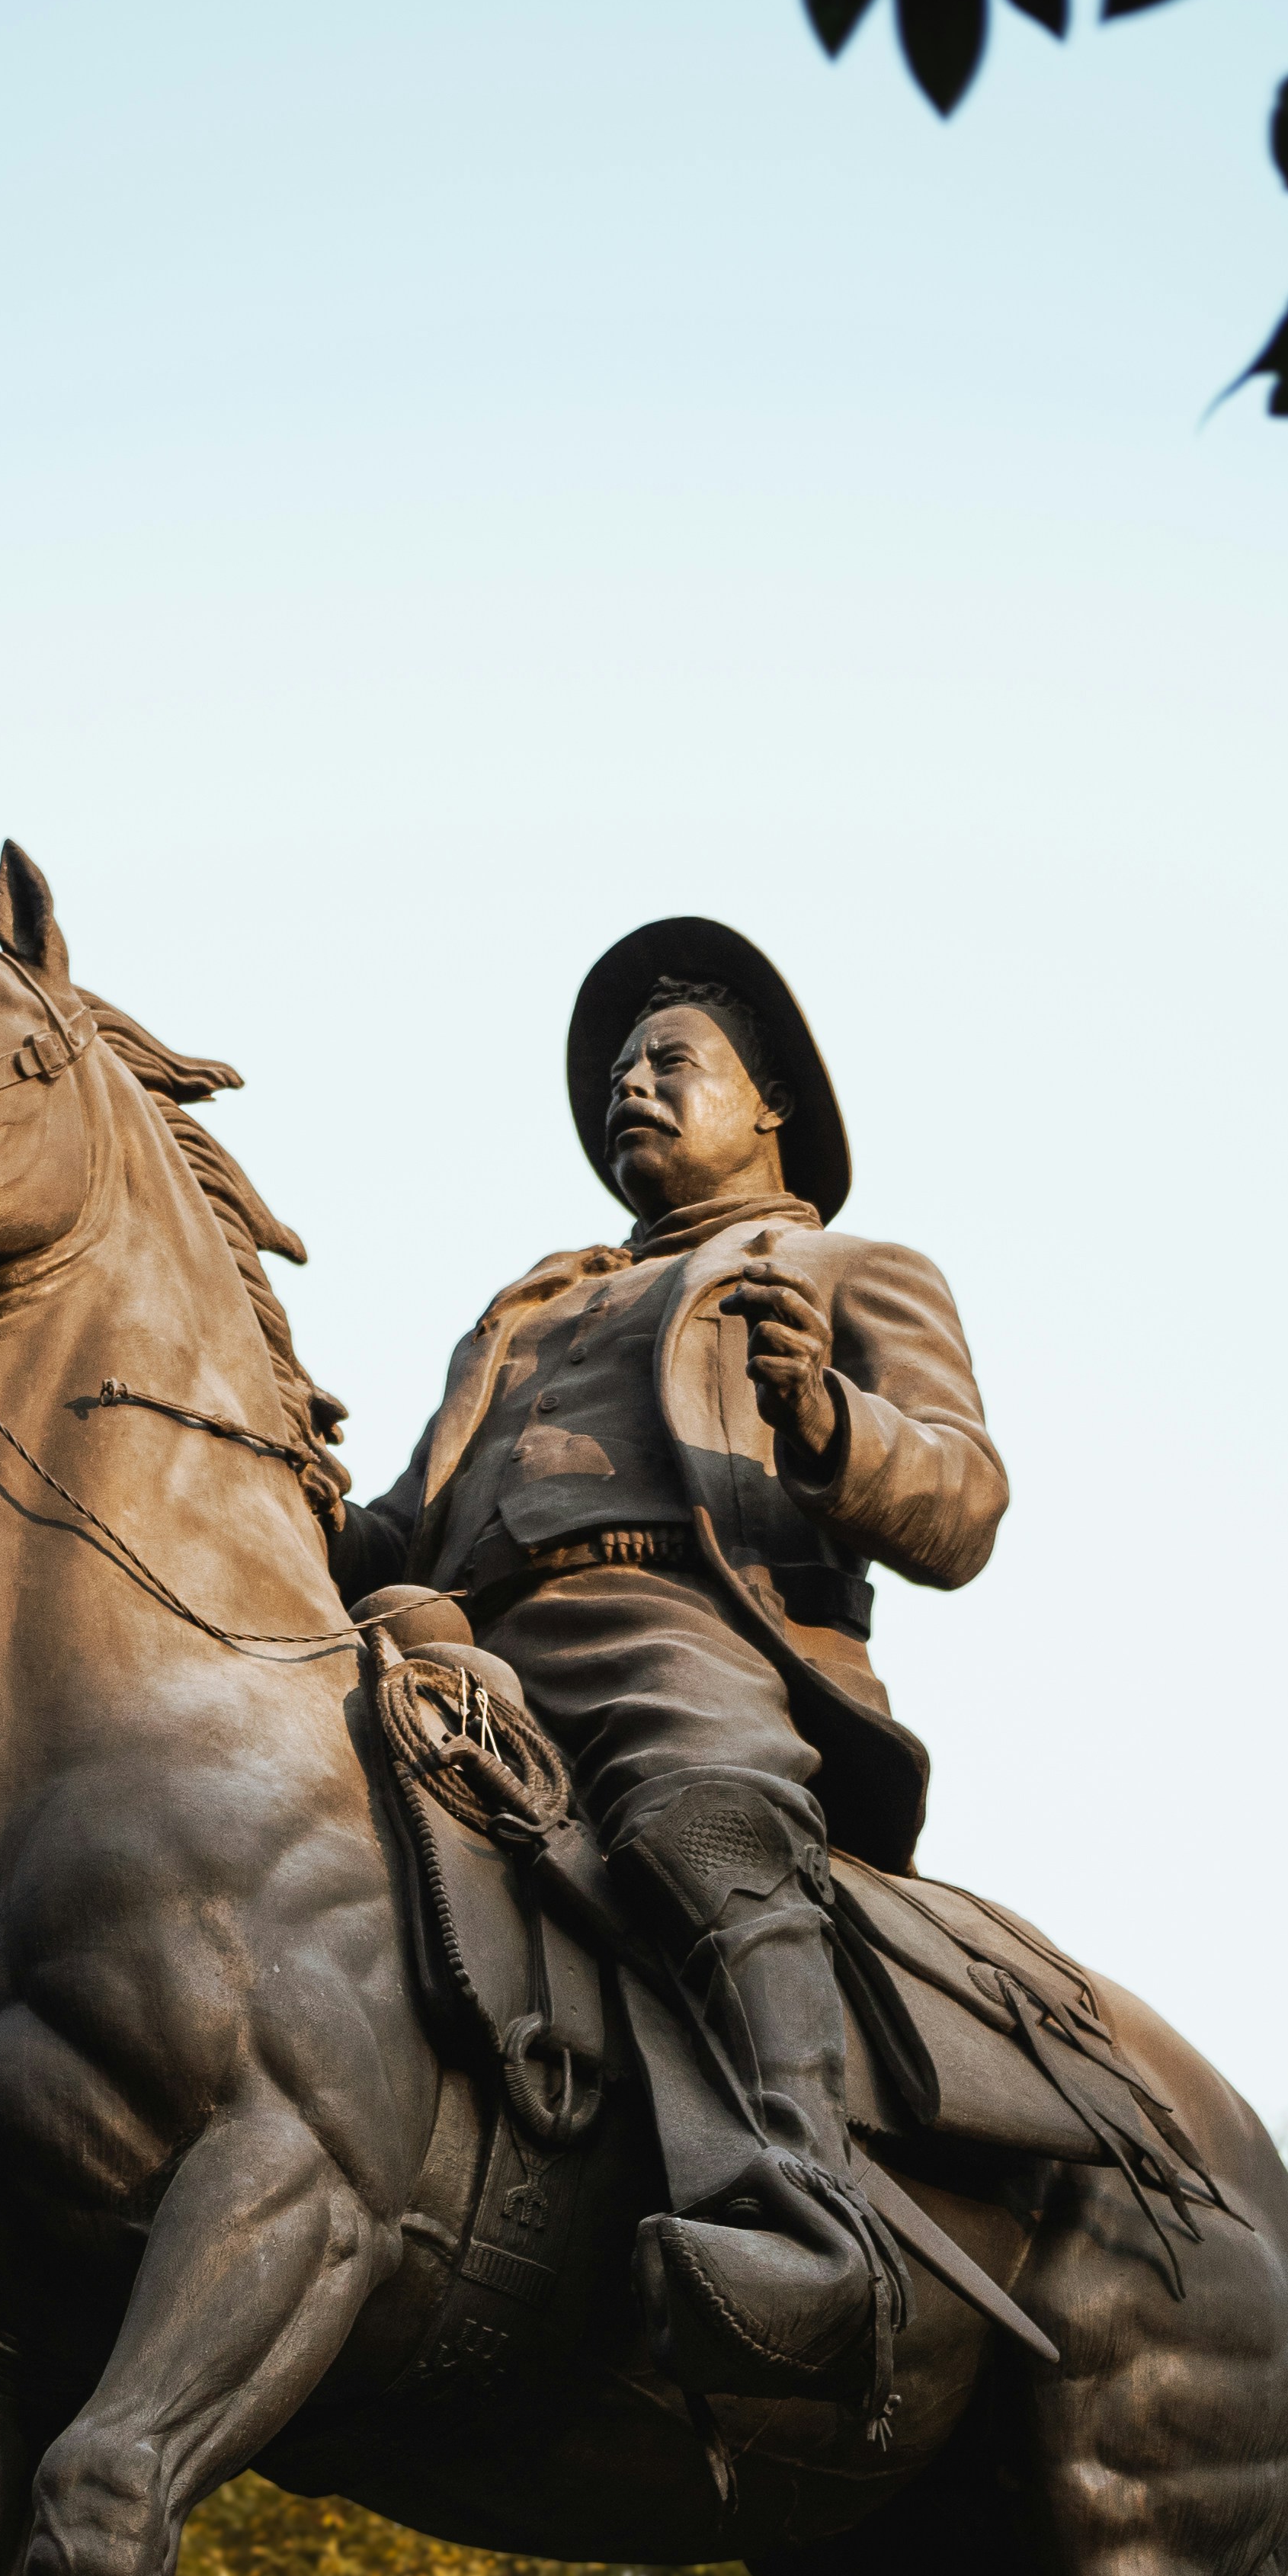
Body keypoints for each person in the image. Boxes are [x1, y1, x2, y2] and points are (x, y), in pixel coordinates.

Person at [335, 917, 1008, 2419]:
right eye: (617, 1074)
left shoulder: (848, 1269)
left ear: (769, 1107)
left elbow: (962, 1505)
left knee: (699, 1803)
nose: (627, 1088)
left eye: (669, 1062)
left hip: (672, 1631)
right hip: (450, 1639)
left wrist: (825, 1418)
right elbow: (400, 1518)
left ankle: (807, 2222)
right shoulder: (526, 1306)